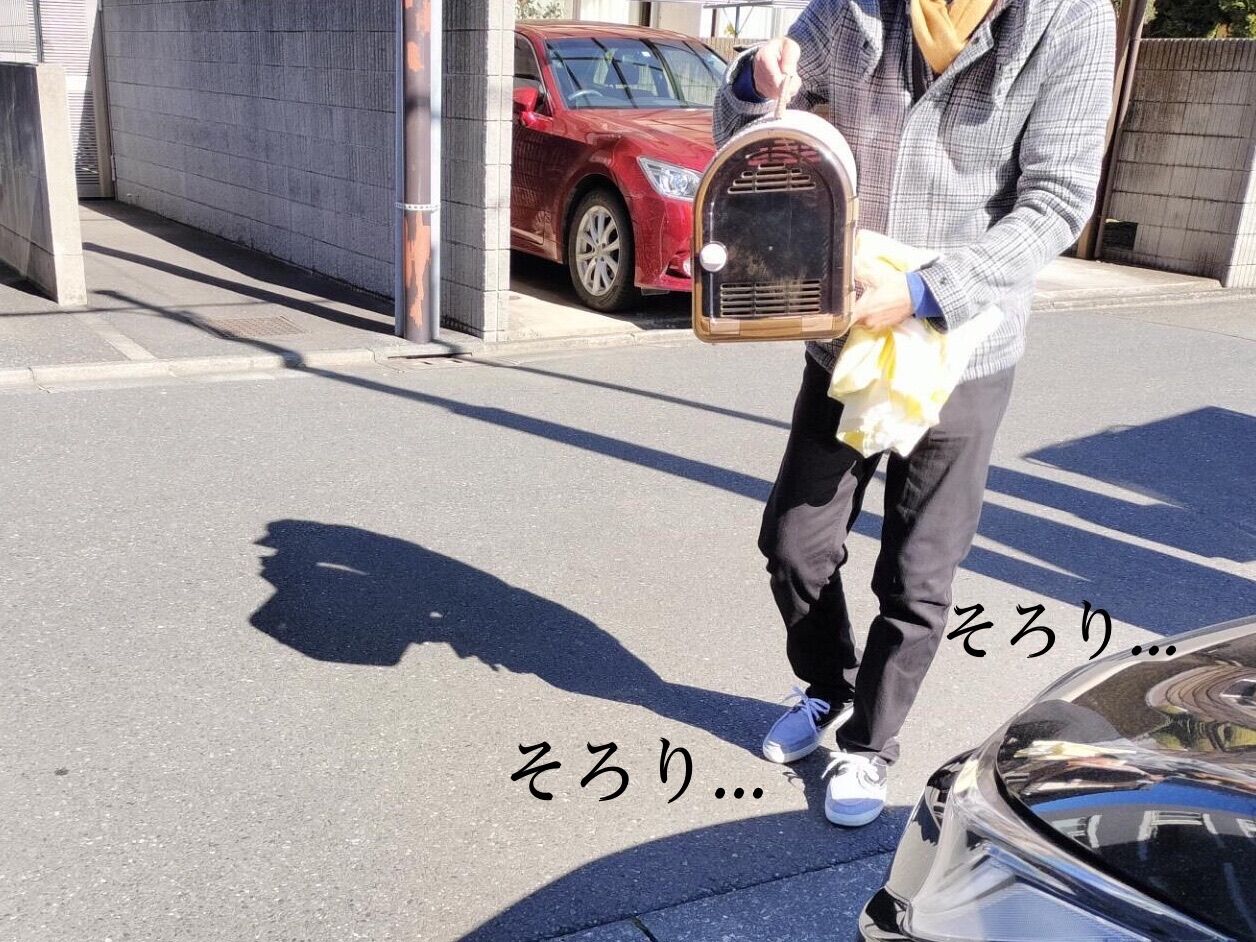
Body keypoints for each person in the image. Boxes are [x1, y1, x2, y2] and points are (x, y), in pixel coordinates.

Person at [714, 0, 1116, 826]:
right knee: (793, 543)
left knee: (918, 575)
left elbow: (1057, 199)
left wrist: (930, 290)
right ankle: (829, 686)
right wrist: (754, 79)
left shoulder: (1069, 18)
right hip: (849, 333)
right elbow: (759, 126)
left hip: (963, 345)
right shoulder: (856, 6)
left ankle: (871, 742)